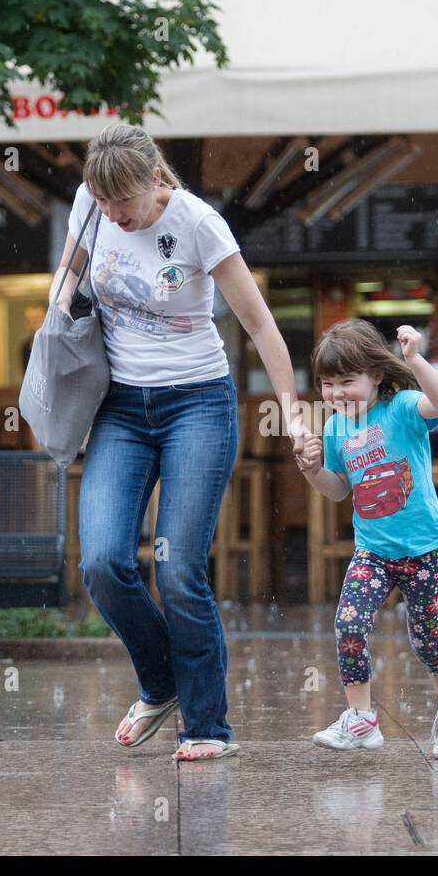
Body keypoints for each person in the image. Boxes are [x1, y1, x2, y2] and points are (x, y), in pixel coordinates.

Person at [51, 123, 306, 762]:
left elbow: (258, 322)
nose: (114, 215)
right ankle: (161, 682)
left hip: (197, 404)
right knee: (102, 562)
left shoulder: (197, 223)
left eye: (124, 204)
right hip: (120, 409)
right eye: (104, 203)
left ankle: (207, 726)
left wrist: (294, 414)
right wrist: (61, 318)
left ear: (154, 179)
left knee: (178, 570)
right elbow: (67, 278)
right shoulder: (91, 204)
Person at [294, 320, 438, 759]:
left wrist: (414, 359)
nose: (336, 393)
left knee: (427, 637)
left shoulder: (404, 408)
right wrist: (313, 471)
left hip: (424, 549)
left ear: (376, 375)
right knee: (349, 625)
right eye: (327, 384)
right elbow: (340, 491)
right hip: (371, 552)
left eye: (347, 382)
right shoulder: (335, 428)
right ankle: (361, 719)